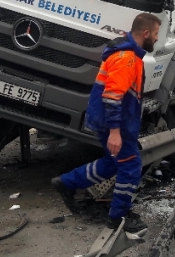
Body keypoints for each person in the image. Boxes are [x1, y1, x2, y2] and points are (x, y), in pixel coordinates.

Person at [51, 13, 161, 236]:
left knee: (113, 163)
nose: (157, 39)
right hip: (116, 124)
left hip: (110, 121)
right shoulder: (127, 58)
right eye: (157, 34)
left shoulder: (125, 52)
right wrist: (115, 133)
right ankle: (117, 217)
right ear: (146, 33)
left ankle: (67, 182)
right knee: (130, 168)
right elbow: (112, 97)